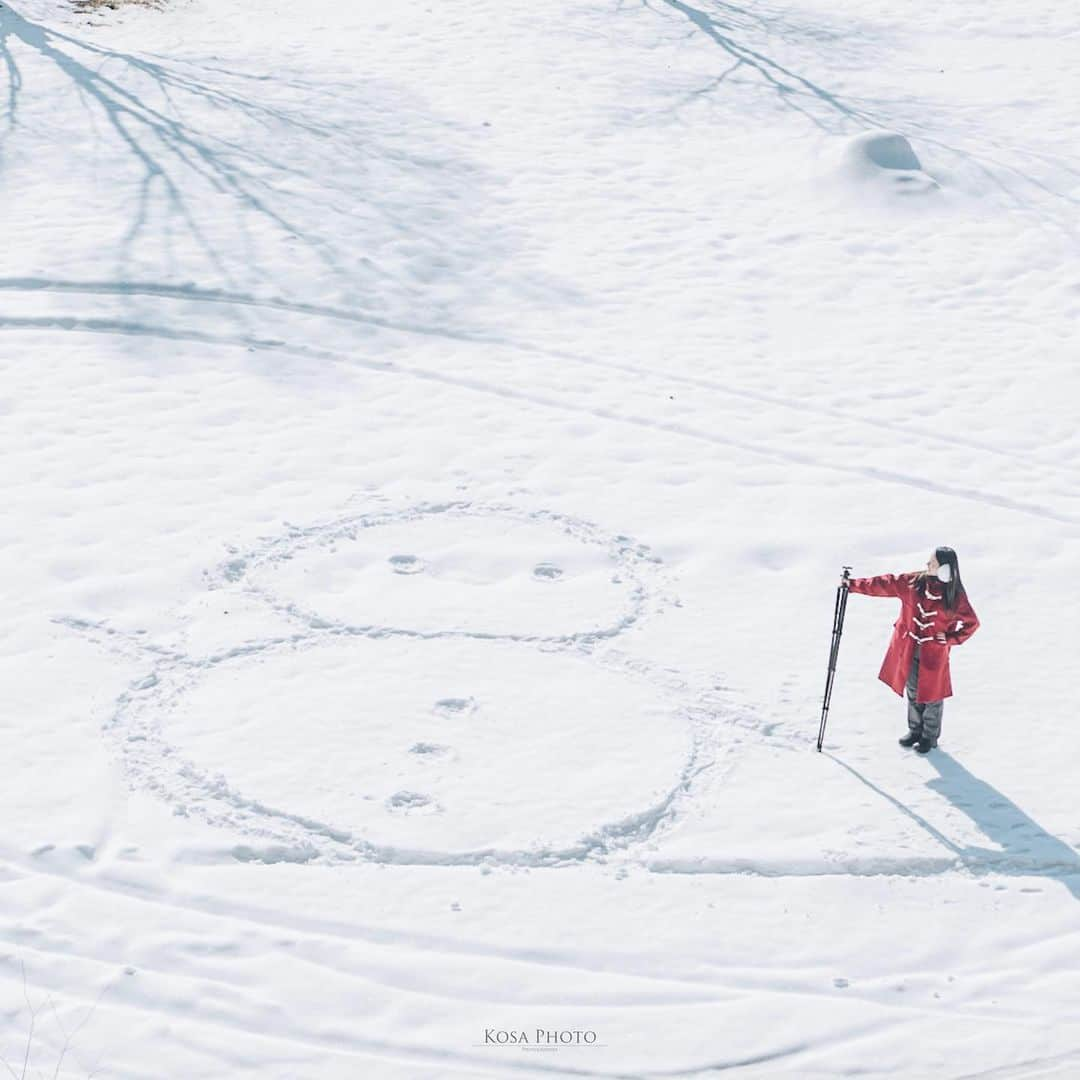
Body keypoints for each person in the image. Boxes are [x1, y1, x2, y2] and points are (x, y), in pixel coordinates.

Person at [842, 547, 979, 753]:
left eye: (932, 563)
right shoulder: (913, 582)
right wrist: (852, 585)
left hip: (934, 654)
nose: (927, 565)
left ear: (944, 569)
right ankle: (915, 730)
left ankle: (929, 736)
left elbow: (972, 623)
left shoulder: (954, 595)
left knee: (932, 696)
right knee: (913, 691)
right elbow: (884, 584)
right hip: (909, 648)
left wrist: (951, 638)